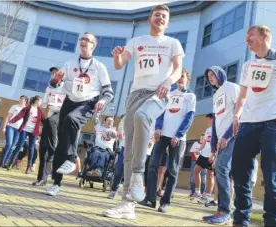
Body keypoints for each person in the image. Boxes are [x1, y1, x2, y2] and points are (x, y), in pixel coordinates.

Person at [103, 4, 184, 219]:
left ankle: (139, 173)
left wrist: (168, 81)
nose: (160, 18)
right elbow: (120, 65)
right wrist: (117, 56)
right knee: (128, 149)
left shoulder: (172, 43)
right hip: (135, 95)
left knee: (143, 116)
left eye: (164, 16)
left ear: (168, 22)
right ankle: (127, 205)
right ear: (150, 19)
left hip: (159, 92)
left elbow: (177, 69)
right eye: (157, 15)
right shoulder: (137, 41)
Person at [231, 25, 276, 227]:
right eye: (246, 36)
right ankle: (240, 220)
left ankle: (272, 222)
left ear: (265, 36)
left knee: (271, 175)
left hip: (272, 125)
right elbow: (243, 95)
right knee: (240, 174)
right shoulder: (248, 65)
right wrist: (236, 115)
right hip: (246, 125)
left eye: (251, 35)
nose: (247, 40)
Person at [45, 32, 114, 196]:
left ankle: (71, 158)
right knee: (61, 143)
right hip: (69, 102)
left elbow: (108, 92)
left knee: (71, 119)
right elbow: (54, 85)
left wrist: (103, 101)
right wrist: (56, 79)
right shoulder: (69, 64)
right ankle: (56, 183)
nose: (83, 42)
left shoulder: (99, 67)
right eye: (81, 39)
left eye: (87, 40)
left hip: (89, 103)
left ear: (93, 45)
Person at [140, 68, 196, 213]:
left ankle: (165, 202)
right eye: (179, 77)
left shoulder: (190, 96)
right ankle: (150, 199)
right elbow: (160, 112)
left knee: (172, 170)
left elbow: (189, 118)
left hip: (177, 138)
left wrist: (178, 135)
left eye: (183, 77)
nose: (180, 79)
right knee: (152, 165)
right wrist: (158, 128)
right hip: (162, 135)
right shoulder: (169, 93)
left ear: (187, 79)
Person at [202, 66, 240, 224]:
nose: (210, 78)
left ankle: (225, 211)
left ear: (220, 74)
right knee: (221, 171)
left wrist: (228, 135)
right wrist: (213, 146)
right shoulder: (216, 94)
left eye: (213, 74)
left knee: (222, 169)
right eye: (208, 76)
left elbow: (240, 112)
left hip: (233, 136)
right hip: (221, 139)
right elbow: (217, 121)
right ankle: (222, 211)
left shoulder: (231, 87)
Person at [33, 67, 65, 186]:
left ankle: (53, 154)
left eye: (56, 73)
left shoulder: (66, 87)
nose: (54, 75)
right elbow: (45, 103)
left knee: (51, 124)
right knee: (43, 148)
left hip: (59, 114)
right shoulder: (49, 87)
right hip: (50, 114)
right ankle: (42, 178)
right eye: (52, 73)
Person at [5, 96, 46, 174]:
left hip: (34, 131)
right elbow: (19, 115)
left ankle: (28, 166)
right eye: (40, 101)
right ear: (36, 101)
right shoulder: (27, 108)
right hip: (25, 129)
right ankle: (11, 163)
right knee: (19, 145)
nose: (41, 103)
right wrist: (12, 120)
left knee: (31, 148)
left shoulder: (39, 111)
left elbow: (44, 120)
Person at [190, 114, 214, 204]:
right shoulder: (208, 130)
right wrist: (199, 149)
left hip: (211, 155)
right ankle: (197, 192)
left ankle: (207, 196)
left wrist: (213, 154)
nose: (207, 121)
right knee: (196, 171)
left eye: (208, 119)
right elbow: (204, 143)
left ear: (213, 119)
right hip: (203, 155)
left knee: (210, 176)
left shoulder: (217, 129)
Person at [0, 95, 28, 167]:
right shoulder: (14, 106)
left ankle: (6, 163)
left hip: (19, 129)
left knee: (12, 146)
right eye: (20, 98)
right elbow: (8, 117)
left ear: (25, 101)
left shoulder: (27, 109)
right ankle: (2, 163)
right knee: (9, 144)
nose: (21, 100)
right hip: (10, 127)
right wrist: (4, 127)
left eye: (22, 99)